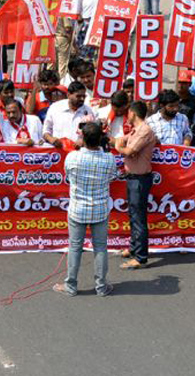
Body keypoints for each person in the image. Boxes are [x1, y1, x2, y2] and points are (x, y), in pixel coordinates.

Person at [55, 122, 118, 297]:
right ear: (101, 139)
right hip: (99, 209)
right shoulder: (109, 159)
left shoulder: (72, 157)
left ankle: (71, 286)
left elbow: (68, 175)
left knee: (75, 247)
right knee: (100, 247)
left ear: (82, 138)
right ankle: (101, 286)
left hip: (78, 209)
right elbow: (113, 177)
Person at [114, 101, 156, 269]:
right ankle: (134, 248)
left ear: (132, 113)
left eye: (128, 113)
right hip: (133, 177)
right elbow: (119, 140)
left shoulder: (144, 130)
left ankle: (140, 257)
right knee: (133, 215)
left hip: (140, 179)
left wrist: (118, 146)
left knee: (138, 218)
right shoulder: (136, 131)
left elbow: (129, 151)